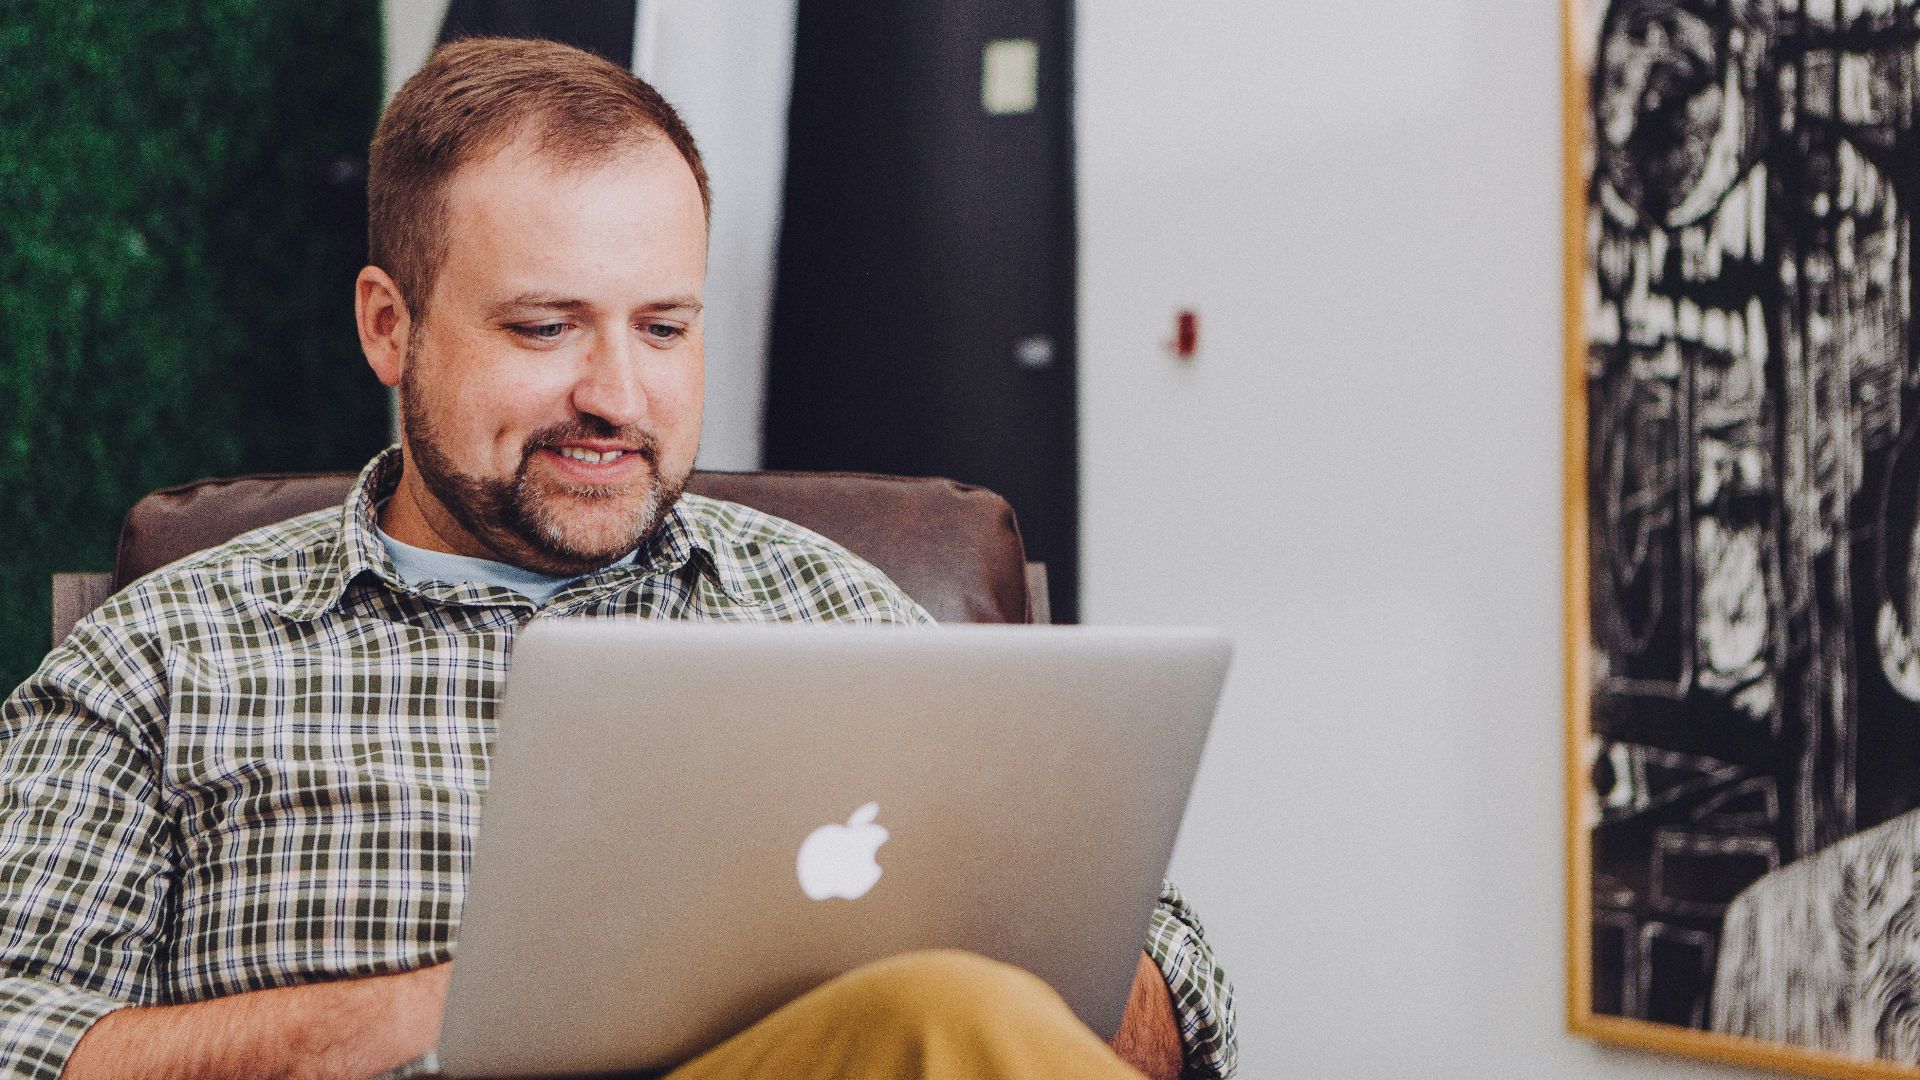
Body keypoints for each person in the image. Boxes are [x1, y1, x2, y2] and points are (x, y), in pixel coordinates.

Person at [0, 37, 1236, 1080]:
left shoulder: (831, 611)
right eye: (544, 327)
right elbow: (19, 1030)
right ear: (390, 325)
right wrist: (448, 1008)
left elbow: (1179, 991)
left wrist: (978, 952)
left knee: (958, 1015)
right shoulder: (168, 654)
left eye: (664, 328)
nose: (617, 393)